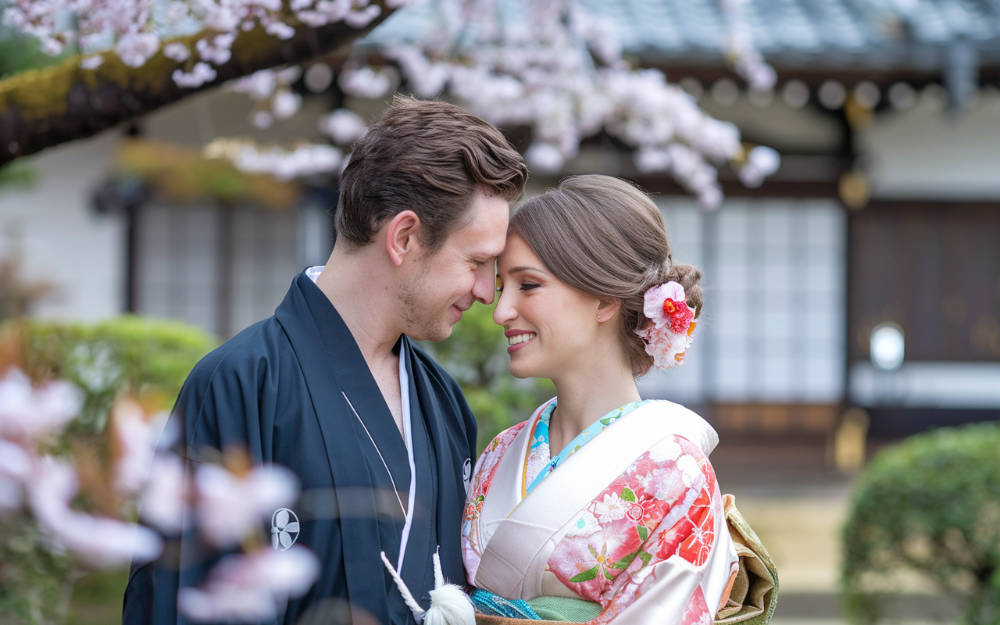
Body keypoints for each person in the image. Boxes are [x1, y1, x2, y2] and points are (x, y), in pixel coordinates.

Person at [122, 96, 527, 625]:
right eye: (476, 262)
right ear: (404, 237)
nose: (484, 292)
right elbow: (183, 599)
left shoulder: (442, 399)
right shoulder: (243, 384)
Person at [462, 175, 739, 624]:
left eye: (527, 286)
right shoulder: (500, 453)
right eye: (500, 289)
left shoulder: (677, 474)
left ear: (605, 299)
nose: (501, 312)